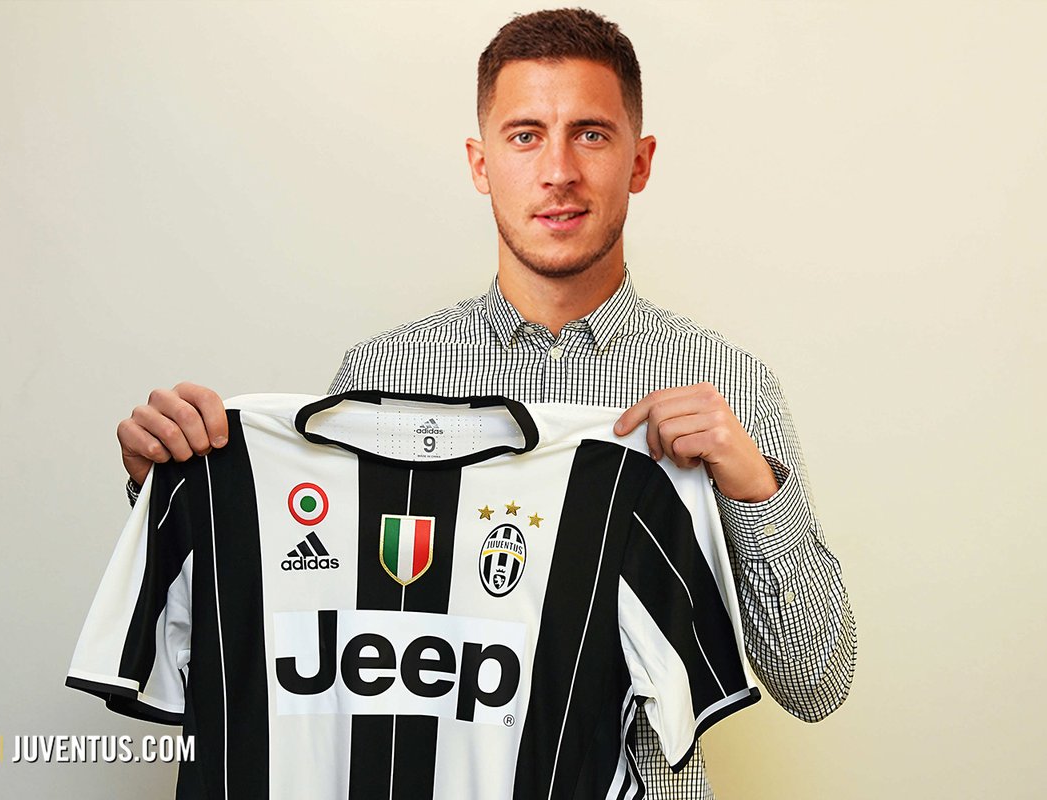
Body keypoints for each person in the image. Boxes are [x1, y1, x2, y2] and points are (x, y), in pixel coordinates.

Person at [115, 8, 855, 798]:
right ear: (480, 162)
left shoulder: (726, 384)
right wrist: (176, 487)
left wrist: (754, 491)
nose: (559, 171)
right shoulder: (381, 373)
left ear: (639, 162)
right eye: (526, 135)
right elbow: (299, 620)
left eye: (591, 135)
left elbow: (816, 683)